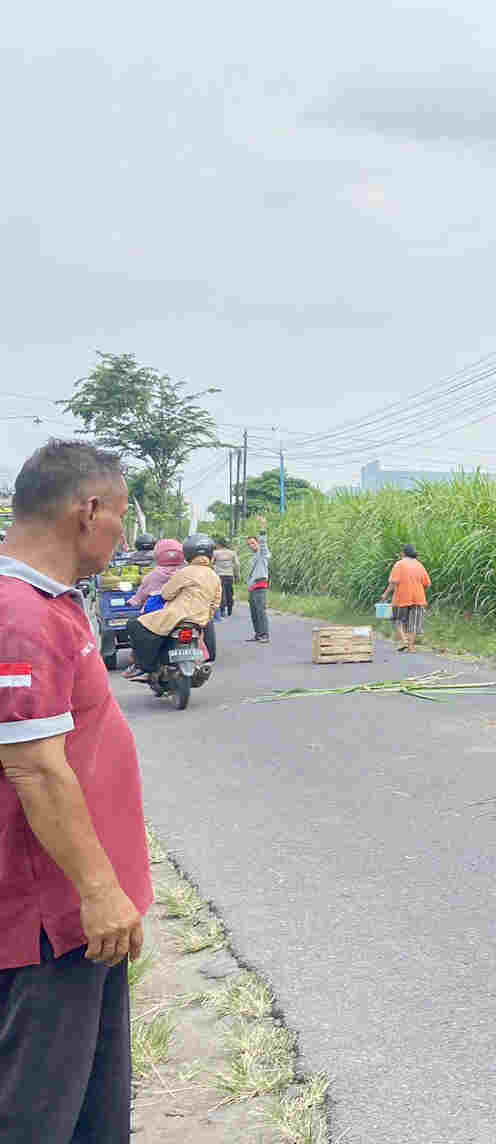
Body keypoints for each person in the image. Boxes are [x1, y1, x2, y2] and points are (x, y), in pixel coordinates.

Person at [0, 439, 152, 1142]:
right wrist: (98, 890)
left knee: (92, 1109)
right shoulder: (19, 616)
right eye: (121, 514)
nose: (123, 533)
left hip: (81, 917)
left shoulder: (50, 603)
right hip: (53, 920)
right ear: (89, 510)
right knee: (38, 1115)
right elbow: (33, 768)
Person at [126, 535, 222, 682]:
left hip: (177, 616)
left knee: (134, 624)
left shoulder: (185, 572)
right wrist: (205, 617)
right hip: (200, 620)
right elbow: (215, 603)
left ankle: (146, 667)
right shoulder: (214, 576)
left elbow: (166, 594)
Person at [382, 545, 432, 652]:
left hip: (401, 597)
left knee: (396, 619)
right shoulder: (419, 565)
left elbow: (393, 582)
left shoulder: (399, 564)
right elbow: (427, 584)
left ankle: (404, 641)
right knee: (414, 623)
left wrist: (385, 594)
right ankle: (411, 647)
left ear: (403, 553)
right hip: (418, 598)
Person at [127, 538, 183, 614]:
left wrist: (134, 601)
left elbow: (142, 591)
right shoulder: (184, 573)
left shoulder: (153, 575)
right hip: (178, 610)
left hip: (155, 611)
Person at [245, 531, 270, 643]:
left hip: (260, 586)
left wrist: (262, 532)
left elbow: (263, 545)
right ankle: (258, 634)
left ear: (258, 543)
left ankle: (264, 635)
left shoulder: (263, 554)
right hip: (252, 587)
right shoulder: (252, 557)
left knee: (260, 611)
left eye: (253, 543)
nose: (251, 545)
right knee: (254, 612)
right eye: (249, 544)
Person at [212, 538, 237, 618]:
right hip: (229, 575)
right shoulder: (232, 553)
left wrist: (214, 568)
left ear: (219, 544)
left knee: (221, 592)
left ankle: (222, 610)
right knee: (230, 592)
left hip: (219, 575)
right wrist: (236, 574)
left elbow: (211, 563)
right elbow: (237, 564)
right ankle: (230, 609)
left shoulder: (215, 553)